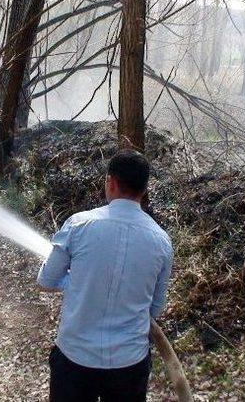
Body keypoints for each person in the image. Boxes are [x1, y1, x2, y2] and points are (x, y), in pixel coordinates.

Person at [37, 149, 173, 402]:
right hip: (129, 365)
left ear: (110, 182)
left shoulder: (78, 225)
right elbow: (155, 308)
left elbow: (46, 281)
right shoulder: (161, 242)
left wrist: (77, 281)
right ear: (143, 191)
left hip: (75, 360)